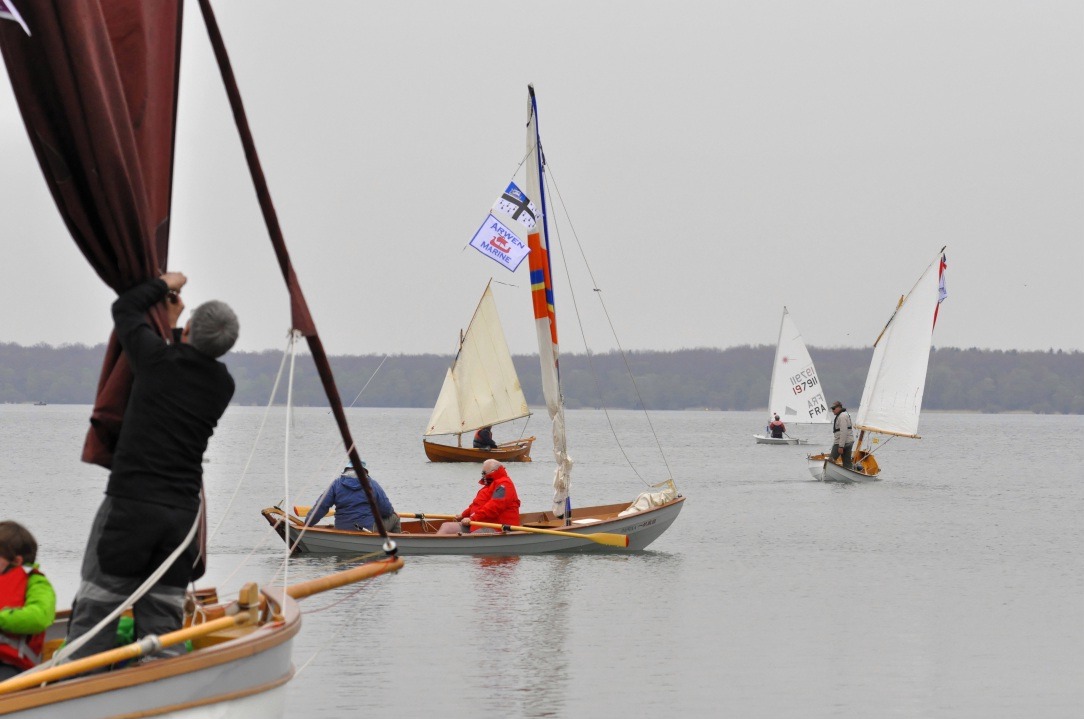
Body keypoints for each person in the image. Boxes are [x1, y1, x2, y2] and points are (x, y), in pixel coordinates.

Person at [64, 272, 238, 662]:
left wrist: (165, 284)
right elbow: (187, 363)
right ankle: (162, 696)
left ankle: (77, 692)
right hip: (180, 520)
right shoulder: (223, 385)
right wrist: (176, 328)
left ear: (190, 326)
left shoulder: (156, 361)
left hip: (130, 509)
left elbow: (124, 308)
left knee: (97, 613)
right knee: (162, 625)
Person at [0, 522, 56, 680]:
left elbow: (38, 617)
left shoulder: (37, 584)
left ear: (16, 561)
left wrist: (1, 618)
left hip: (10, 667)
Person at [305, 463, 401, 533]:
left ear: (346, 470)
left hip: (341, 528)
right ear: (365, 471)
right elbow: (386, 510)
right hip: (367, 528)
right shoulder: (371, 484)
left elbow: (321, 506)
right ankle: (394, 548)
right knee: (395, 518)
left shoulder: (336, 484)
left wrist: (308, 523)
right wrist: (388, 513)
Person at [436, 459, 521, 535]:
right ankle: (435, 544)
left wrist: (472, 518)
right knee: (446, 526)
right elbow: (477, 505)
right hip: (478, 523)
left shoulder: (504, 485)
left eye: (484, 473)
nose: (482, 475)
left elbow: (494, 507)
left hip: (498, 528)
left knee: (474, 535)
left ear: (493, 471)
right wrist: (463, 515)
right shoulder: (489, 486)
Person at [829, 400, 854, 469]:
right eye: (831, 409)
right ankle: (850, 476)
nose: (832, 410)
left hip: (842, 443)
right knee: (847, 463)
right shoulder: (845, 414)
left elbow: (844, 431)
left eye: (833, 408)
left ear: (839, 407)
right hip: (849, 442)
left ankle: (827, 475)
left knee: (830, 461)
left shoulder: (842, 416)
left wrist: (841, 446)